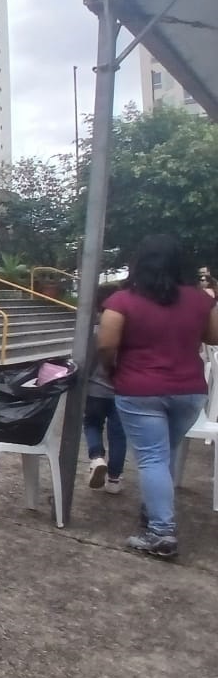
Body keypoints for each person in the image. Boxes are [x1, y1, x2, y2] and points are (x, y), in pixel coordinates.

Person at [97, 235, 218, 558]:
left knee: (152, 458)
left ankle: (161, 532)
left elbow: (107, 344)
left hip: (139, 389)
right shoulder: (200, 300)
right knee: (163, 455)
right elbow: (213, 335)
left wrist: (113, 370)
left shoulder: (122, 301)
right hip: (189, 391)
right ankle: (153, 512)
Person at [86, 283, 127, 494]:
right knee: (119, 434)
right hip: (122, 390)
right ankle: (114, 479)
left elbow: (88, 362)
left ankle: (96, 457)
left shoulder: (94, 331)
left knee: (92, 424)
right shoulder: (129, 332)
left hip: (95, 389)